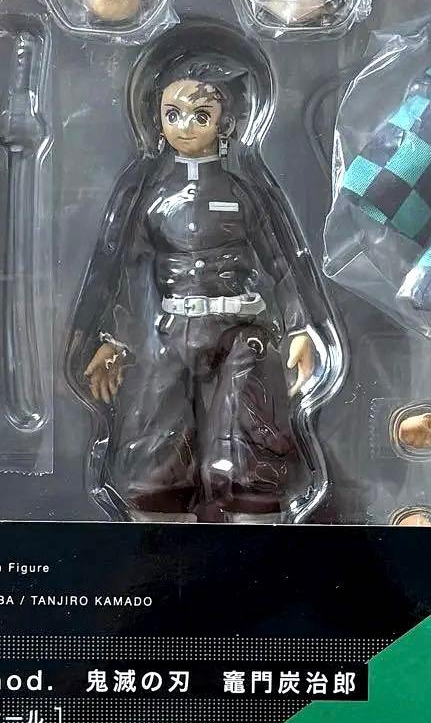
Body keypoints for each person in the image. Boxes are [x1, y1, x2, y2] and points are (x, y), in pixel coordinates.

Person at [69, 63, 317, 522]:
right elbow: (128, 270)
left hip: (240, 330)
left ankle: (251, 514)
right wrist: (113, 338)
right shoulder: (152, 198)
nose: (185, 126)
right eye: (173, 114)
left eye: (200, 115)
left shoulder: (244, 193)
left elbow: (283, 261)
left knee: (247, 437)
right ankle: (163, 522)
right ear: (157, 120)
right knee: (159, 439)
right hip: (173, 331)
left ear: (225, 123)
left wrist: (301, 327)